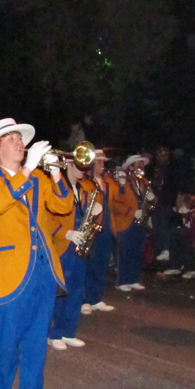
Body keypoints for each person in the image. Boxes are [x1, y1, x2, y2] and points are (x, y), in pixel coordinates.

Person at [0, 118, 72, 389]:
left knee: (34, 347)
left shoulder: (39, 176)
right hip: (8, 274)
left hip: (42, 271)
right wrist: (27, 169)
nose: (19, 142)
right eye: (11, 138)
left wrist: (56, 171)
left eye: (20, 137)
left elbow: (63, 204)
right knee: (5, 348)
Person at [47, 159, 101, 350]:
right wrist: (66, 233)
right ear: (68, 165)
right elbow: (45, 219)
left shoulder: (84, 189)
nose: (83, 170)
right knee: (60, 292)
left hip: (79, 245)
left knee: (77, 291)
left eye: (85, 167)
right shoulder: (55, 187)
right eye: (79, 166)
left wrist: (94, 212)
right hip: (61, 246)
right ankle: (54, 334)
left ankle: (69, 331)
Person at [81, 150, 116, 314]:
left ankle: (96, 298)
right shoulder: (86, 181)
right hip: (93, 225)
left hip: (106, 226)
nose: (103, 165)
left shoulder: (107, 182)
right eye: (99, 162)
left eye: (103, 161)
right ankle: (85, 299)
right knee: (89, 264)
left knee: (101, 263)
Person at [113, 154, 153, 291]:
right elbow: (116, 203)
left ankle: (134, 279)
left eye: (142, 164)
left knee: (137, 251)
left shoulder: (145, 182)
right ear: (130, 167)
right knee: (125, 252)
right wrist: (132, 212)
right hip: (126, 221)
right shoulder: (122, 181)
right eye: (138, 164)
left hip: (141, 222)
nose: (141, 166)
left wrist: (152, 198)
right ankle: (122, 281)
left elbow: (153, 201)